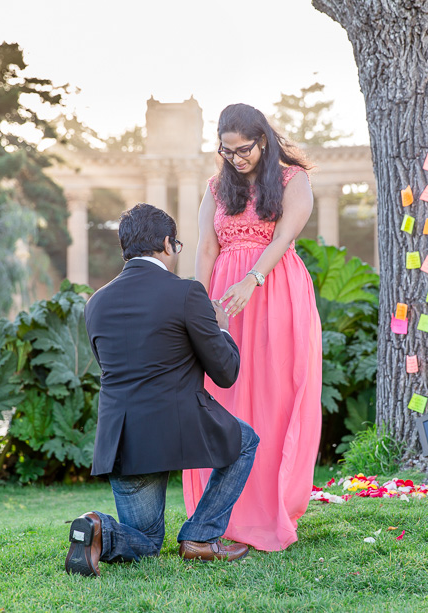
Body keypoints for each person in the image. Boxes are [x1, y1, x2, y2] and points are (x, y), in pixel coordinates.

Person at [65, 203, 260, 576]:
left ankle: (98, 529)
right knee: (245, 442)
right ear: (168, 244)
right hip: (179, 427)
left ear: (126, 248)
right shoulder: (187, 293)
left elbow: (112, 366)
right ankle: (201, 537)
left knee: (146, 541)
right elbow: (226, 372)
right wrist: (219, 328)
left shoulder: (96, 303)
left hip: (121, 439)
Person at [183, 103, 322, 552]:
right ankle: (218, 512)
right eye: (227, 151)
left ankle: (269, 507)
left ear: (263, 140)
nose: (236, 158)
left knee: (273, 395)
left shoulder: (292, 180)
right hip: (224, 298)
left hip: (274, 289)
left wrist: (252, 278)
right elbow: (206, 246)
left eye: (243, 150)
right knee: (223, 394)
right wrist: (196, 306)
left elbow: (283, 238)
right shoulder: (215, 187)